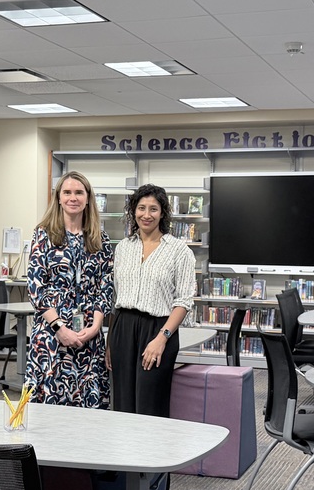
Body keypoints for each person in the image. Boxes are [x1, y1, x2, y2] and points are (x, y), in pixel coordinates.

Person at [25, 171, 114, 407]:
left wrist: (96, 326)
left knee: (89, 405)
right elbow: (35, 286)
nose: (72, 198)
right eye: (67, 192)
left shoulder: (100, 239)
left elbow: (105, 285)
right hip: (51, 335)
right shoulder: (43, 234)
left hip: (89, 336)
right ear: (58, 198)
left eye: (78, 192)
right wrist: (59, 328)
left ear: (87, 198)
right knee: (50, 407)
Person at [109, 184, 197, 417]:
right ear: (133, 211)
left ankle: (152, 453)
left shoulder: (179, 251)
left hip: (158, 329)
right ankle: (124, 453)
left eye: (153, 209)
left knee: (150, 404)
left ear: (163, 213)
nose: (146, 215)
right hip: (123, 327)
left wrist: (162, 338)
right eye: (141, 208)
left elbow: (184, 300)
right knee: (123, 404)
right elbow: (116, 298)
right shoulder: (123, 248)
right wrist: (111, 341)